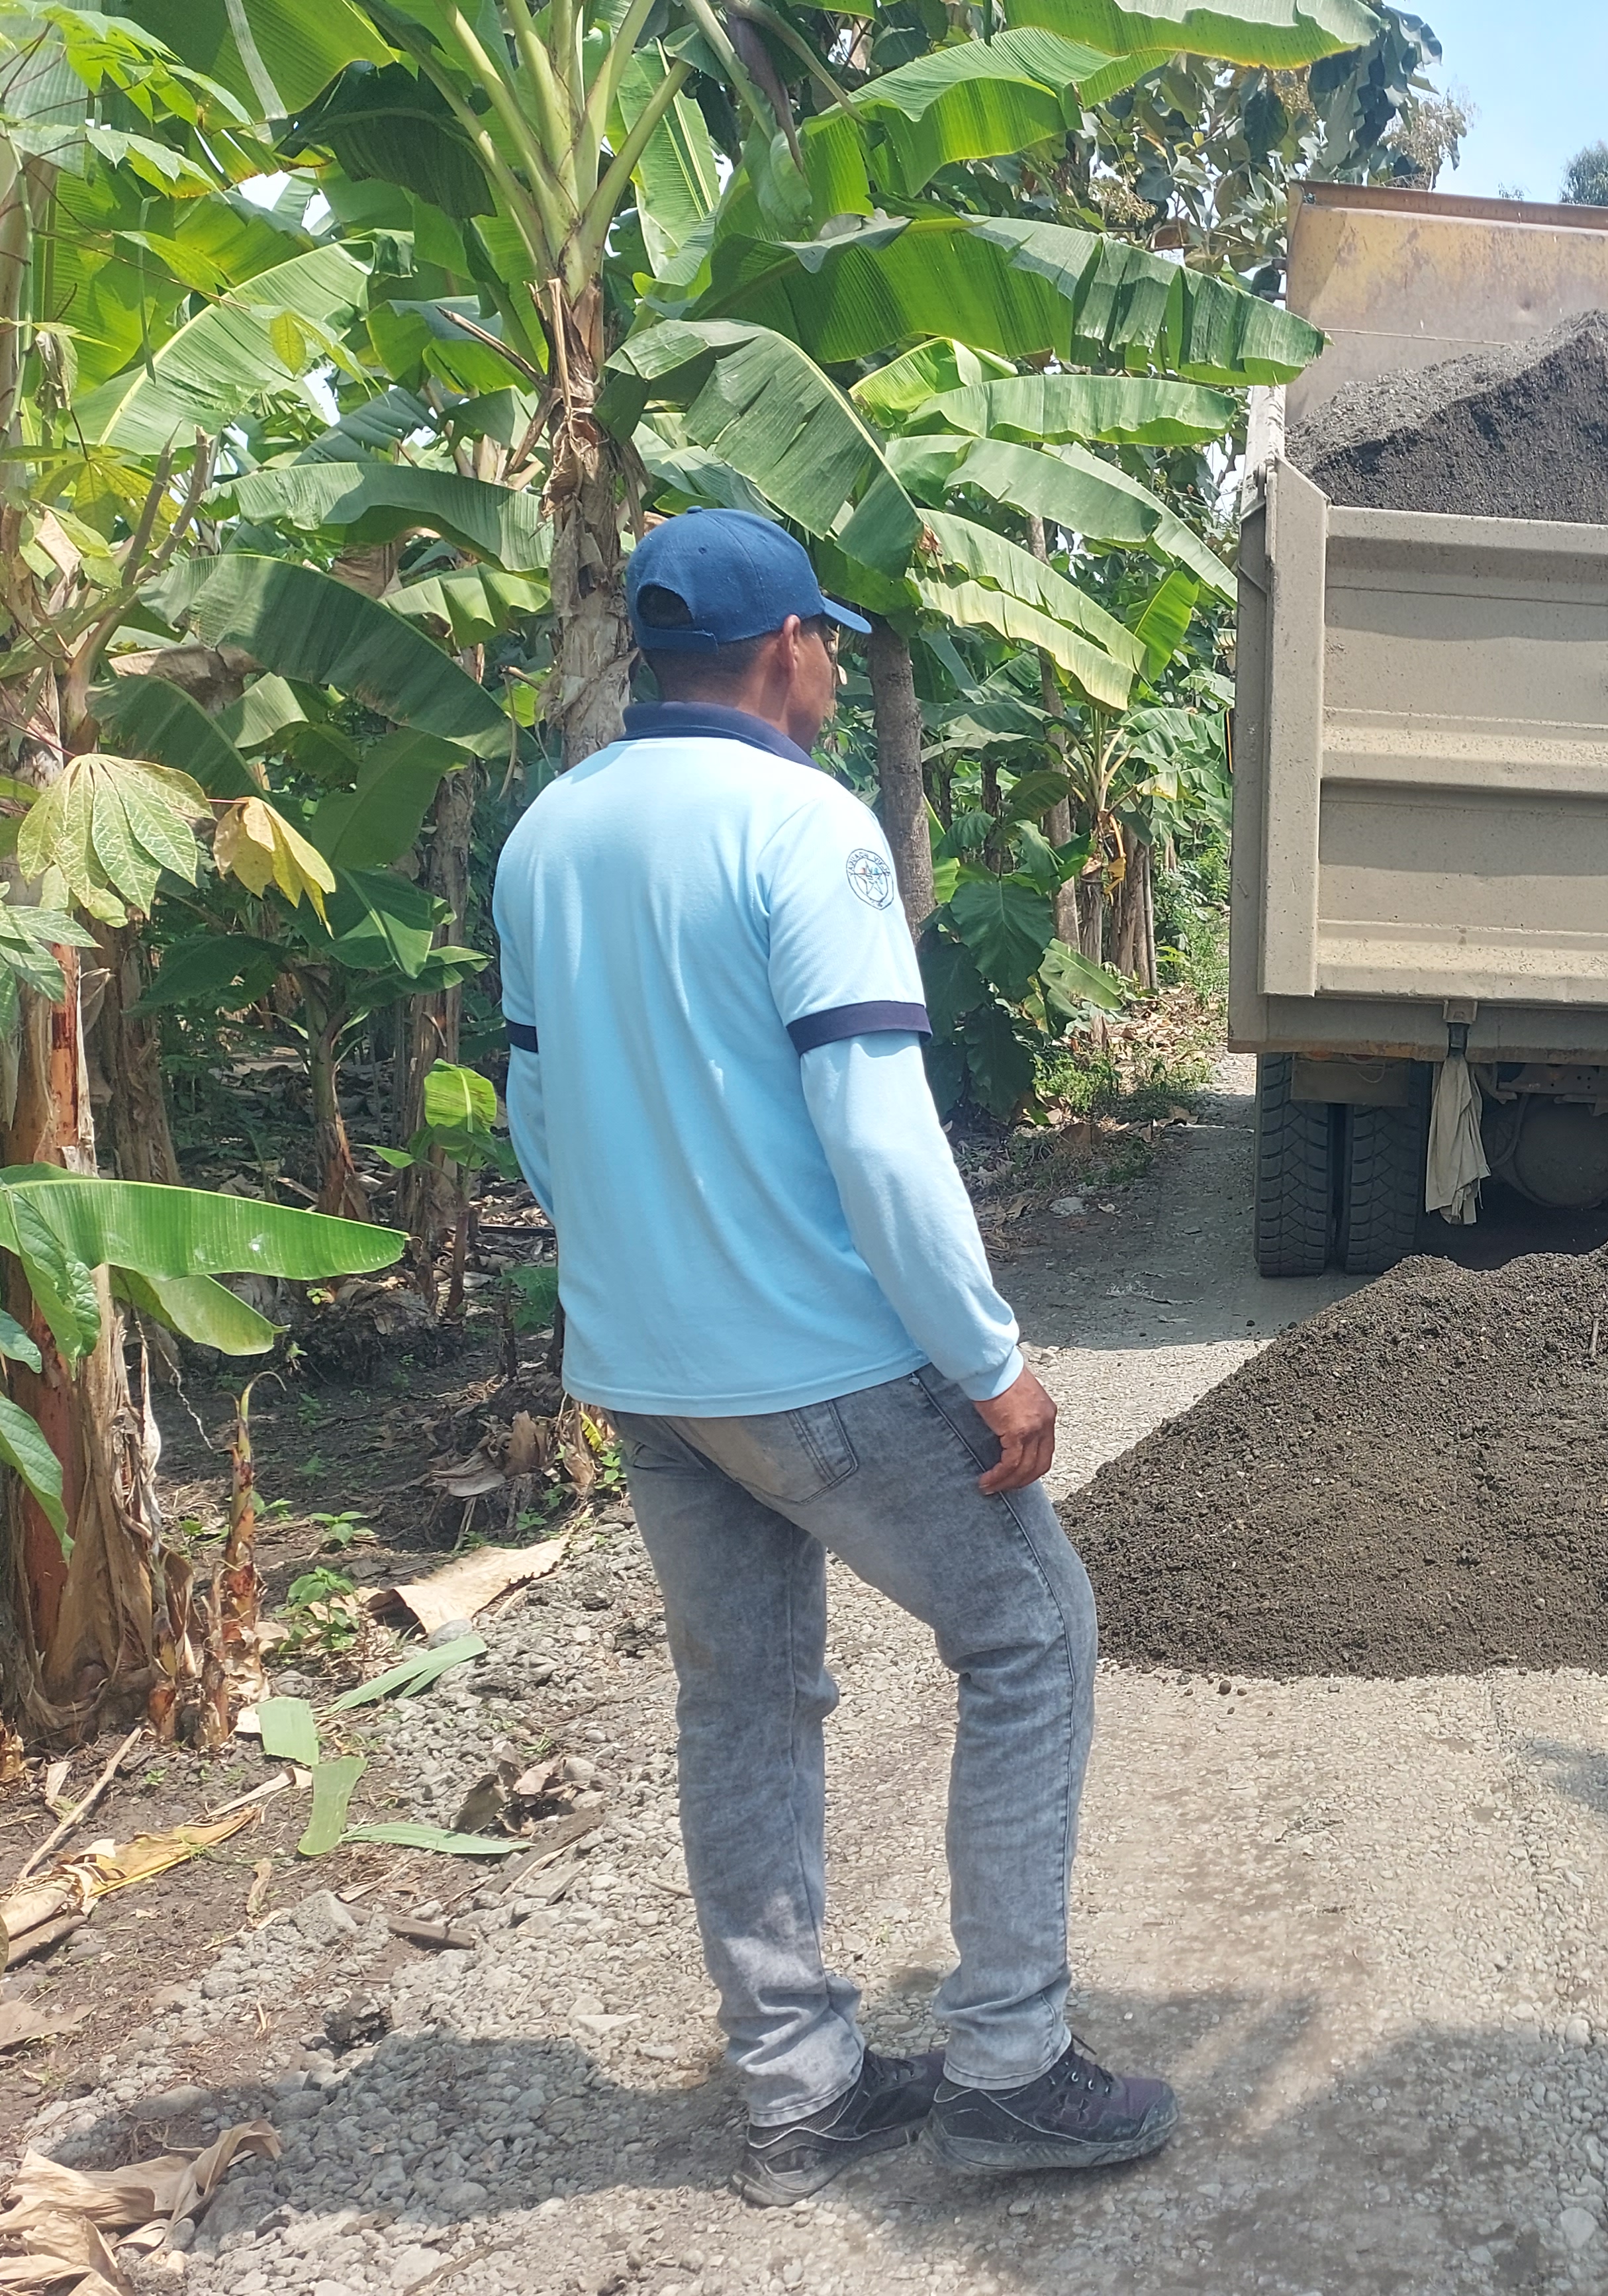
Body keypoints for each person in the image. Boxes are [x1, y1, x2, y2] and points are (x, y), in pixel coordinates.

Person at [493, 506, 1176, 2208]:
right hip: (819, 1365)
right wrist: (988, 1358)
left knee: (743, 1700)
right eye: (823, 647)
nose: (828, 674)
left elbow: (536, 1112)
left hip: (647, 1373)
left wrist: (643, 1278)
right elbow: (877, 1131)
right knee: (1030, 1633)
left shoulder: (550, 830)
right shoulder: (805, 826)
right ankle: (1008, 2063)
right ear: (789, 647)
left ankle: (796, 2088)